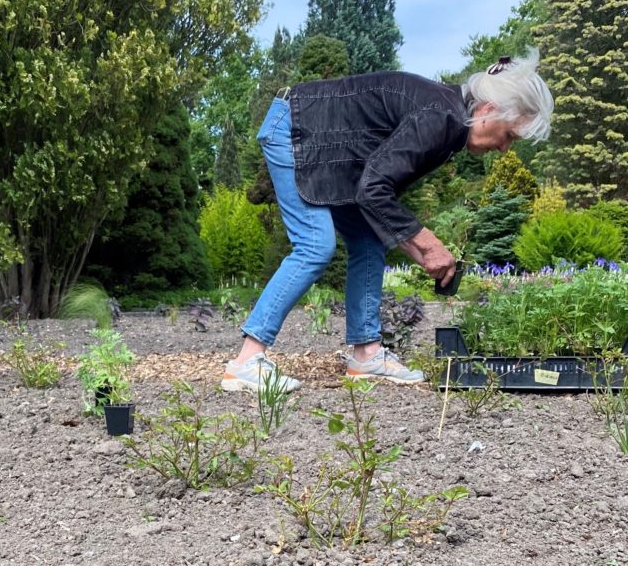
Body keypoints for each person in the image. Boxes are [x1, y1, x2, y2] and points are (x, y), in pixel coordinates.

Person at [221, 49, 554, 393]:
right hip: (295, 130)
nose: (505, 149)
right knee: (315, 245)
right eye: (509, 136)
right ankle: (247, 360)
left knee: (368, 241)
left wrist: (419, 250)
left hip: (332, 150)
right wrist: (429, 243)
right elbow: (373, 189)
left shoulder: (448, 120)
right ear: (487, 110)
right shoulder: (441, 117)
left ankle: (366, 354)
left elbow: (377, 195)